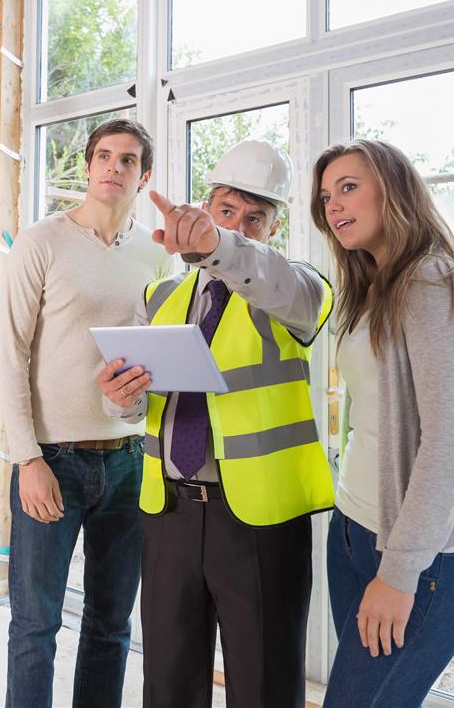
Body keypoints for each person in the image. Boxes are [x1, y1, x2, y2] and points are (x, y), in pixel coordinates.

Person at [99, 139, 335, 708]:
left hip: (258, 522)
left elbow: (275, 280)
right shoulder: (157, 299)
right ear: (205, 208)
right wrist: (117, 400)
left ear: (273, 229)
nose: (240, 227)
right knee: (169, 684)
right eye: (227, 213)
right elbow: (138, 408)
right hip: (170, 514)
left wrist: (219, 247)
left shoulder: (297, 291)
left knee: (263, 685)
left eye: (257, 219)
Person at [0, 119, 173, 708]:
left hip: (128, 461)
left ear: (144, 176)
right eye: (103, 155)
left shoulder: (155, 255)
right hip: (53, 460)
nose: (113, 168)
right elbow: (10, 353)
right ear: (87, 166)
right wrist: (26, 458)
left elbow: (155, 360)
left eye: (127, 160)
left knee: (111, 624)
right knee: (35, 626)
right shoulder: (41, 241)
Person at [310, 139, 454, 708]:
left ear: (395, 189)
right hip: (356, 530)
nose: (334, 205)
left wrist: (402, 571)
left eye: (349, 187)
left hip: (420, 560)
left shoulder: (432, 281)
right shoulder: (372, 286)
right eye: (326, 196)